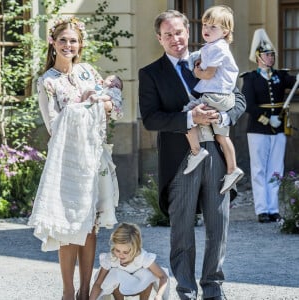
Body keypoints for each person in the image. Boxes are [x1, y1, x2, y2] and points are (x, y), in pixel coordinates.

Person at [139, 9, 246, 300]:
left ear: (188, 32)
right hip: (179, 160)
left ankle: (213, 288)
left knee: (218, 227)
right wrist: (189, 120)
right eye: (168, 34)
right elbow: (150, 119)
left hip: (216, 155)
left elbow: (237, 97)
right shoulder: (150, 74)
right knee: (182, 231)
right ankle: (186, 290)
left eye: (179, 32)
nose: (175, 39)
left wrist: (225, 119)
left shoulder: (210, 56)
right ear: (159, 38)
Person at [28, 16, 123, 300]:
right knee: (68, 227)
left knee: (90, 226)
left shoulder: (88, 72)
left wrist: (105, 101)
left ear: (80, 44)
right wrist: (87, 104)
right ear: (53, 43)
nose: (68, 45)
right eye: (63, 40)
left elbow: (114, 109)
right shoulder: (46, 82)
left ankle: (86, 291)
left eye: (73, 40)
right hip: (66, 161)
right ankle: (68, 292)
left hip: (94, 157)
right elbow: (54, 125)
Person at [182, 5, 244, 195]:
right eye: (204, 25)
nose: (207, 30)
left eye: (213, 27)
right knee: (221, 136)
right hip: (221, 97)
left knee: (187, 115)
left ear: (225, 31)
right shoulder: (214, 47)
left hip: (216, 95)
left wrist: (196, 71)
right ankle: (232, 169)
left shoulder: (217, 48)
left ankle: (196, 151)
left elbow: (208, 74)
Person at [241, 28, 298, 223]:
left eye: (272, 54)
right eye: (267, 54)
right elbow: (249, 105)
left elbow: (294, 81)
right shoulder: (250, 78)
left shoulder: (280, 76)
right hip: (258, 128)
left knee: (276, 169)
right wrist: (267, 118)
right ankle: (262, 210)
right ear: (258, 57)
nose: (271, 57)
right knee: (259, 169)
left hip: (279, 127)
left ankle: (273, 209)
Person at [89, 223, 169, 300]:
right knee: (114, 273)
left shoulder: (143, 257)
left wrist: (159, 295)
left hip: (140, 287)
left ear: (136, 248)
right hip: (119, 289)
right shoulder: (111, 258)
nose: (121, 255)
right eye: (117, 250)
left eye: (125, 252)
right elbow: (98, 284)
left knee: (148, 273)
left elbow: (163, 276)